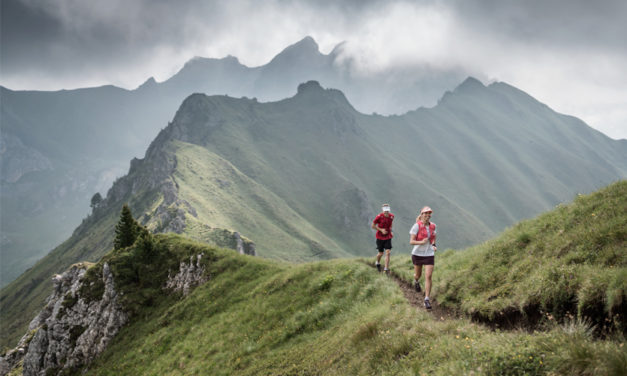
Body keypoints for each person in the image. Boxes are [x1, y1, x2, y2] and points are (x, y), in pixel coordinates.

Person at [409, 206, 437, 309]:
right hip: (417, 254)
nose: (427, 215)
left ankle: (426, 299)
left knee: (428, 276)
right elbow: (411, 241)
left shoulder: (433, 226)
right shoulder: (416, 226)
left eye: (428, 213)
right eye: (425, 213)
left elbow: (433, 237)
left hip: (429, 254)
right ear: (421, 215)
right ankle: (416, 281)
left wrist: (434, 245)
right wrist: (421, 242)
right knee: (418, 275)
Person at [372, 203, 394, 273]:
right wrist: (381, 230)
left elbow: (391, 224)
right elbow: (373, 226)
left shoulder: (392, 216)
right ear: (382, 210)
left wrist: (391, 231)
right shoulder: (379, 217)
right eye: (385, 211)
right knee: (380, 253)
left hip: (388, 236)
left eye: (387, 211)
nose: (386, 212)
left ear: (389, 210)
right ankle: (377, 262)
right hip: (380, 237)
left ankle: (386, 268)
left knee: (388, 252)